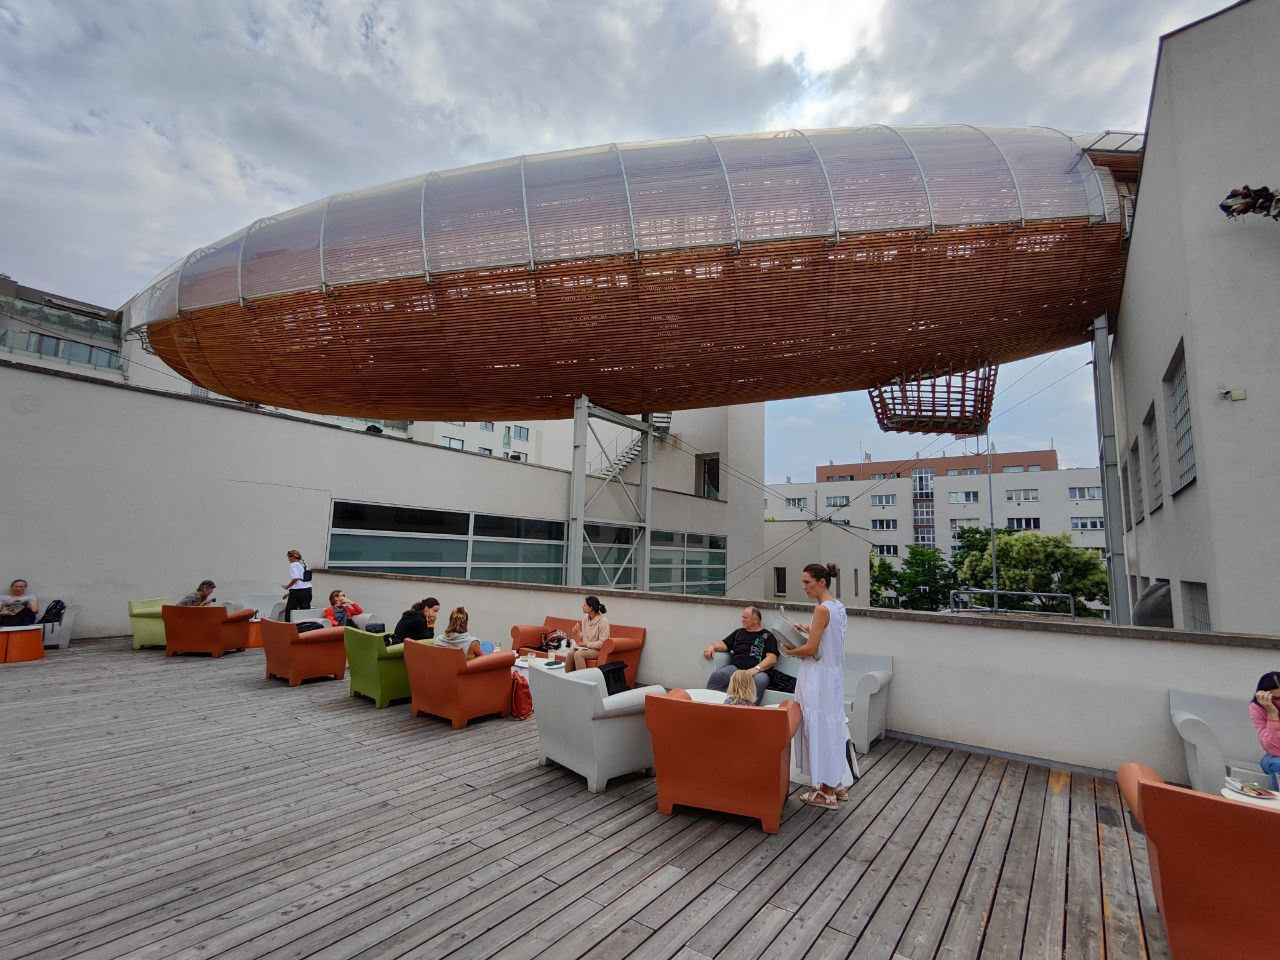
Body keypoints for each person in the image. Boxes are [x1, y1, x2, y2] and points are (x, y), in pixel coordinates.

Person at [789, 563, 848, 810]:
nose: (804, 587)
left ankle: (826, 791)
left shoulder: (822, 609)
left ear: (821, 582)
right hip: (832, 676)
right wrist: (809, 629)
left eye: (807, 582)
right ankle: (835, 783)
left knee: (818, 728)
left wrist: (789, 650)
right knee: (830, 727)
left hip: (818, 676)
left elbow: (812, 649)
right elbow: (828, 637)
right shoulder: (838, 606)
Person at [702, 606, 779, 704]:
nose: (742, 620)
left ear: (755, 620)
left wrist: (754, 670)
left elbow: (772, 658)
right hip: (736, 668)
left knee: (759, 681)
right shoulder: (739, 632)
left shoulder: (768, 636)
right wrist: (712, 646)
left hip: (758, 672)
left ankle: (749, 709)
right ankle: (710, 705)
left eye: (745, 618)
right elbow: (724, 644)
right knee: (717, 676)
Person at [1250, 671, 1280, 789]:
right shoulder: (1258, 708)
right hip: (1274, 756)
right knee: (1273, 763)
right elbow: (1274, 749)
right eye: (1277, 698)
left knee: (1275, 763)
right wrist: (1272, 714)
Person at [567, 596, 611, 672]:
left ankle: (583, 678)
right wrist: (577, 632)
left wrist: (587, 644)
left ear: (591, 608)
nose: (582, 607)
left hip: (598, 651)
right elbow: (582, 638)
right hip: (586, 649)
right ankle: (567, 676)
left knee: (578, 654)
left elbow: (602, 643)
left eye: (585, 605)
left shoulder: (603, 621)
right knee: (571, 653)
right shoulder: (585, 618)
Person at [281, 549, 311, 622]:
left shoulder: (293, 565)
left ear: (293, 557)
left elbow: (296, 578)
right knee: (304, 611)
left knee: (290, 610)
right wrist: (289, 593)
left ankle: (288, 626)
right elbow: (303, 581)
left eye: (289, 557)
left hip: (297, 592)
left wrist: (287, 586)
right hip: (308, 590)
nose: (288, 559)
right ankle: (303, 626)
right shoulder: (305, 564)